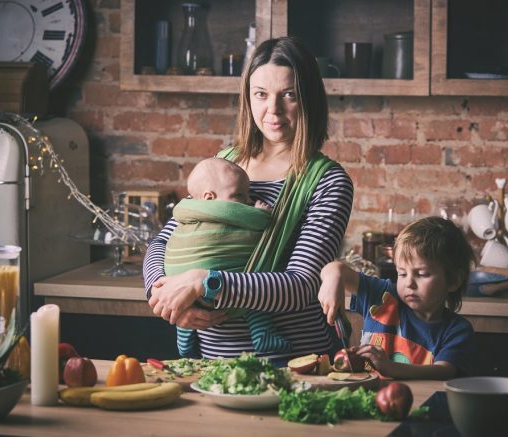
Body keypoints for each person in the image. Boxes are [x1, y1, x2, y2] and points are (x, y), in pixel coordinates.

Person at [144, 36, 354, 362]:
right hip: (212, 364)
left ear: (309, 98)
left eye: (289, 95)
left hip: (291, 363)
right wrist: (164, 292)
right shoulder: (224, 163)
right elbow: (164, 242)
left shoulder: (327, 181)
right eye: (261, 95)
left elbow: (300, 286)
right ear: (247, 99)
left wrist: (205, 282)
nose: (273, 110)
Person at [318, 217, 475, 380]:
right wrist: (333, 278)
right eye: (402, 273)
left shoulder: (457, 330)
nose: (409, 283)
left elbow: (444, 371)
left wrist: (391, 368)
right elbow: (335, 269)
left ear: (454, 281)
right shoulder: (383, 297)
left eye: (422, 274)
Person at [166, 157, 292, 358]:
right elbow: (262, 223)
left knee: (191, 304)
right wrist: (262, 213)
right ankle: (263, 334)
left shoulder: (187, 210)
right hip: (213, 288)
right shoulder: (226, 204)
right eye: (240, 195)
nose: (248, 201)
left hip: (182, 285)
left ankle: (184, 336)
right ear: (208, 197)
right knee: (256, 286)